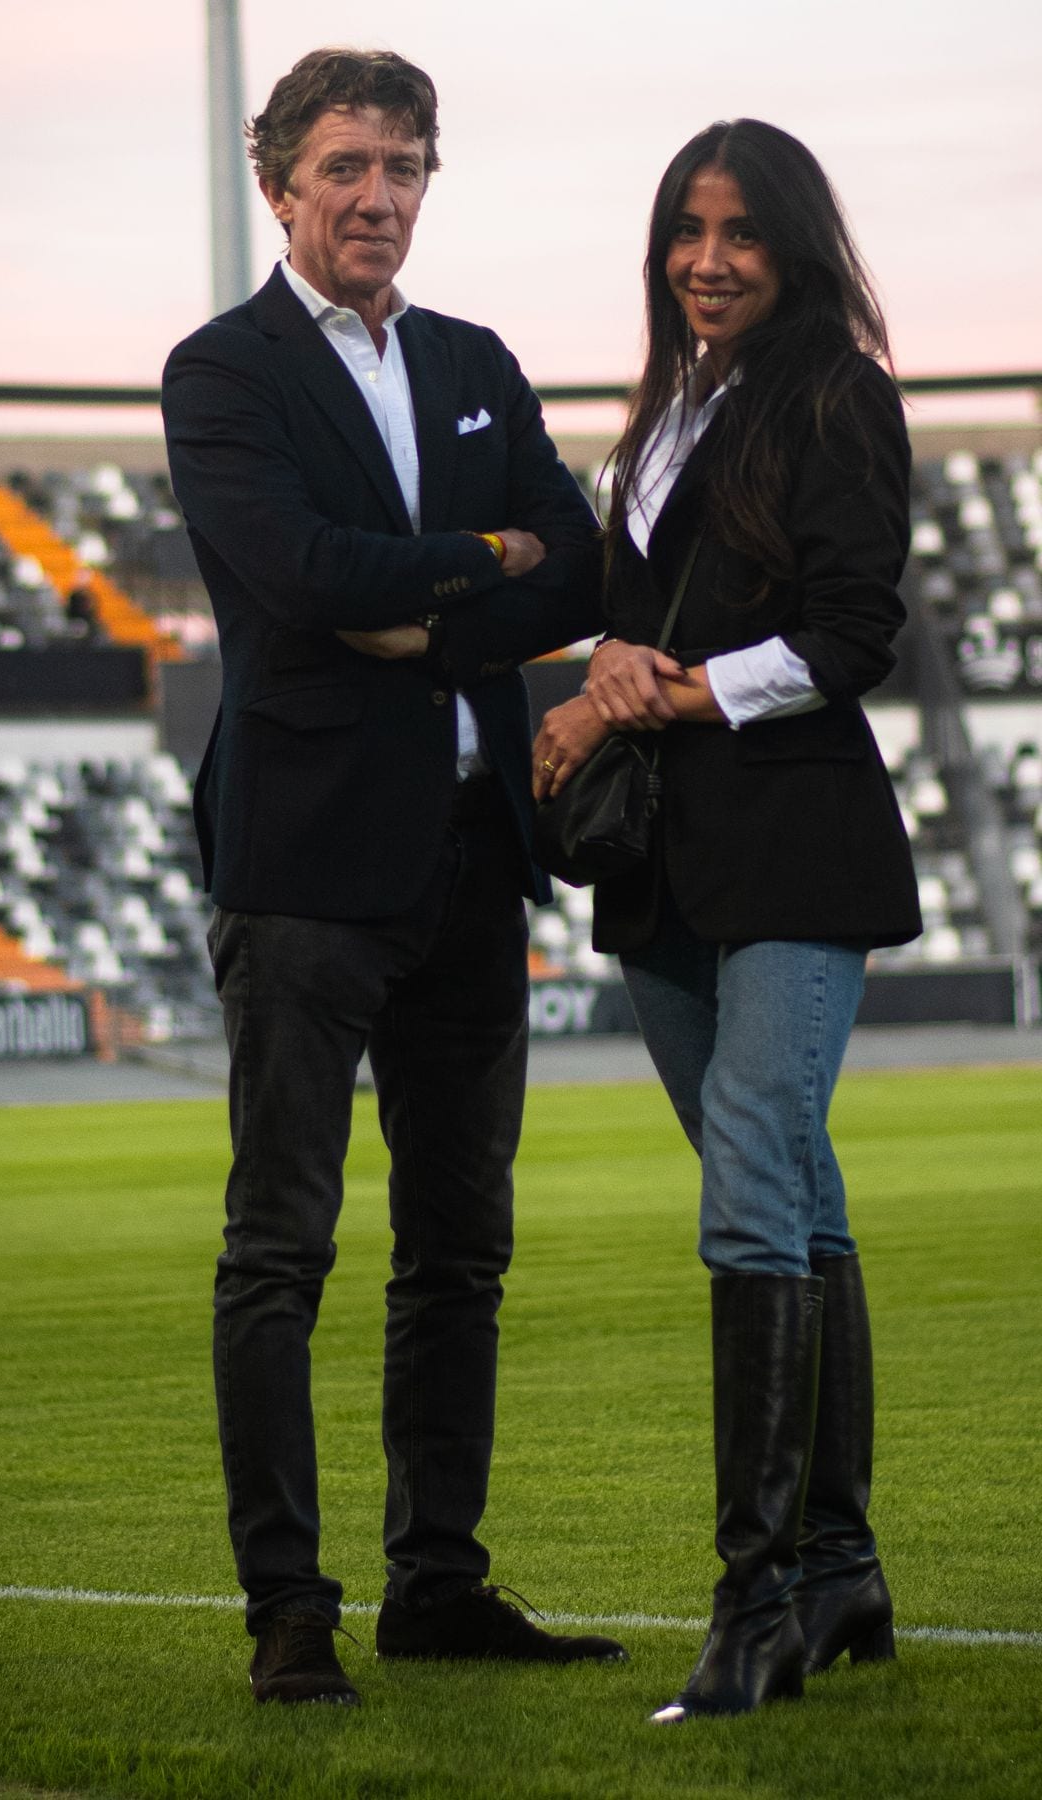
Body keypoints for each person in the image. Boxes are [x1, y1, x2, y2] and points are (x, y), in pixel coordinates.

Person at [162, 47, 623, 1707]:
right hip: (300, 869)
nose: (379, 197)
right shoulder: (220, 372)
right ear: (278, 179)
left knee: (460, 1249)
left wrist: (428, 598)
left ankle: (439, 1584)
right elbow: (293, 579)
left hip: (470, 859)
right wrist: (474, 566)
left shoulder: (475, 360)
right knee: (280, 1250)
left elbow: (572, 566)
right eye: (347, 166)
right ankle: (289, 1605)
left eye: (406, 168)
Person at [533, 119, 922, 1723]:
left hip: (797, 847)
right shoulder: (666, 412)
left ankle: (751, 1603)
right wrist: (609, 669)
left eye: (744, 233)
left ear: (799, 249)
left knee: (754, 1185)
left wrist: (663, 690)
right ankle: (840, 1573)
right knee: (790, 1190)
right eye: (688, 230)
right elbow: (639, 618)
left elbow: (850, 636)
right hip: (668, 863)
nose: (711, 258)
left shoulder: (840, 393)